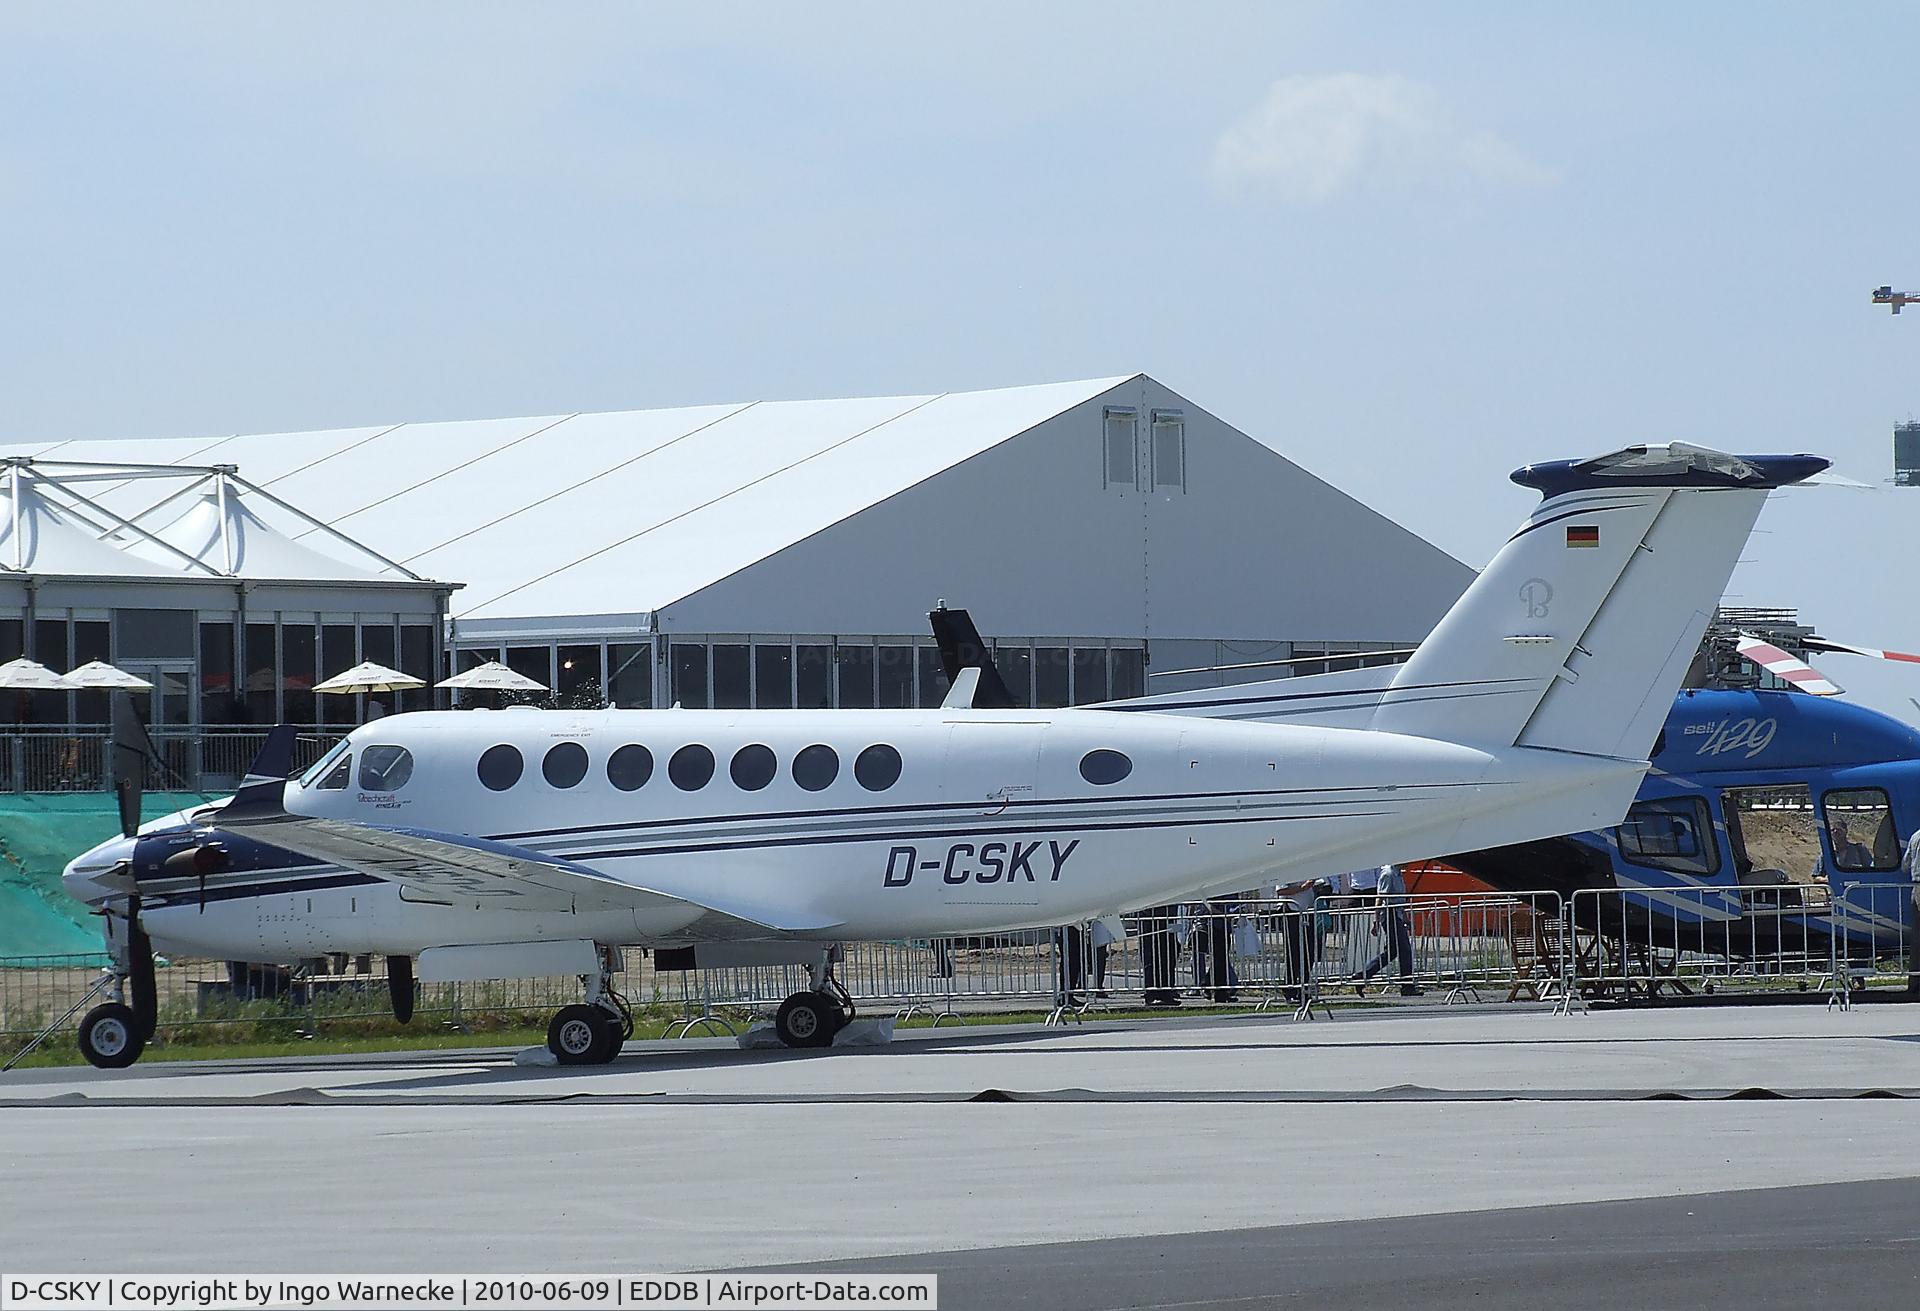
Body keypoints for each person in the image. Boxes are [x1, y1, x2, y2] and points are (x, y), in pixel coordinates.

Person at [1277, 876, 1325, 1002]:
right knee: (1294, 953)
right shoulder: (1286, 872)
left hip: (1308, 913)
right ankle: (1290, 988)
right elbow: (1280, 891)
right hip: (1292, 913)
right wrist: (1302, 888)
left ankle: (1304, 987)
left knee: (1309, 952)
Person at [1138, 904, 1182, 1006]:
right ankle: (1152, 993)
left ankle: (1166, 991)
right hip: (1149, 917)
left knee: (1169, 956)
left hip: (1169, 917)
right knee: (1151, 956)